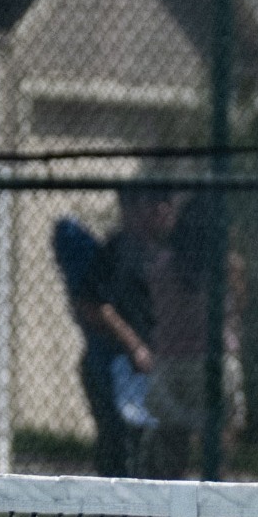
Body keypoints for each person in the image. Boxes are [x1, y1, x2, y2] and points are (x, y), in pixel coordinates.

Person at [69, 186, 177, 476]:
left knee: (156, 455)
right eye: (155, 203)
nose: (164, 211)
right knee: (120, 449)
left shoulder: (167, 253)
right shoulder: (118, 251)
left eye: (166, 204)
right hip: (116, 368)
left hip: (156, 368)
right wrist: (135, 347)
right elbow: (93, 305)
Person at [141, 193, 248, 480]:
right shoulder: (227, 267)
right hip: (213, 367)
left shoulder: (160, 267)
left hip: (169, 367)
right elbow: (239, 306)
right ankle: (213, 500)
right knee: (219, 447)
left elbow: (152, 309)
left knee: (170, 457)